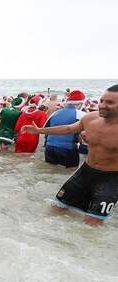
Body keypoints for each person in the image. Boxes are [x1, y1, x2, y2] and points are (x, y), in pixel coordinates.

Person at [22, 85, 118, 225]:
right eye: (102, 101)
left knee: (91, 223)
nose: (102, 105)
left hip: (110, 179)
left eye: (109, 102)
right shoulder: (90, 118)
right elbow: (68, 129)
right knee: (57, 209)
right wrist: (39, 131)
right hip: (85, 172)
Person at [44, 90, 87, 168]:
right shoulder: (82, 115)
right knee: (69, 172)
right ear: (80, 103)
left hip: (49, 147)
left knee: (51, 169)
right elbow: (84, 135)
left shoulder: (55, 113)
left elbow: (45, 129)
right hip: (67, 149)